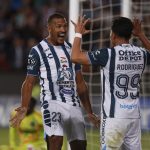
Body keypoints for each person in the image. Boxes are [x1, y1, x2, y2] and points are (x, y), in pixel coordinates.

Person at [9, 13, 99, 150]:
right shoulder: (37, 51)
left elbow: (80, 83)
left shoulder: (72, 50)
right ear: (49, 28)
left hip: (73, 104)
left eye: (65, 26)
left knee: (80, 146)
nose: (63, 30)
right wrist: (24, 106)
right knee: (55, 141)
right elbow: (28, 82)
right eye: (58, 26)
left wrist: (90, 112)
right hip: (51, 103)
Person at [71, 16, 150, 150]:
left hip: (114, 118)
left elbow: (75, 57)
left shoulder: (107, 54)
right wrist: (141, 35)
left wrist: (78, 33)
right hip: (134, 118)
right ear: (130, 35)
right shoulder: (142, 54)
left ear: (113, 35)